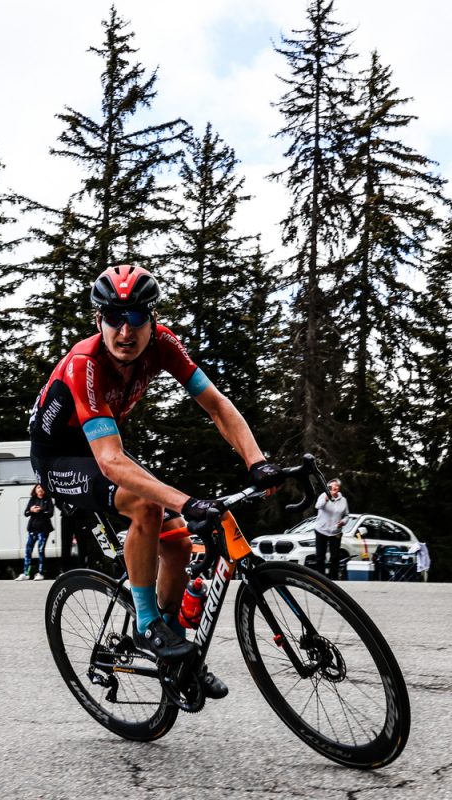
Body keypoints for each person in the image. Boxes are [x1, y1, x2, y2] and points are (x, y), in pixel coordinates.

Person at [29, 264, 283, 699]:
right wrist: (187, 501)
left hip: (103, 444)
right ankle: (147, 625)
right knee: (145, 505)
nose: (125, 331)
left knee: (180, 543)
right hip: (60, 459)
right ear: (98, 320)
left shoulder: (164, 345)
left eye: (136, 317)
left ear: (153, 319)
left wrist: (256, 461)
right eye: (113, 317)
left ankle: (175, 653)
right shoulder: (84, 364)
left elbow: (217, 405)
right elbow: (110, 463)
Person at [312, 478, 349, 580]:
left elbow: (346, 515)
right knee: (320, 556)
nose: (334, 487)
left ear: (339, 488)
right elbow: (317, 506)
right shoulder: (323, 496)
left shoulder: (343, 500)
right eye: (332, 486)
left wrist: (343, 522)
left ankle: (333, 578)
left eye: (336, 485)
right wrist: (327, 498)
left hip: (335, 532)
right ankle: (320, 578)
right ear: (328, 488)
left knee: (335, 556)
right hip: (321, 530)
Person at [18, 484, 55, 581]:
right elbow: (26, 513)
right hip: (32, 530)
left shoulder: (48, 499)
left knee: (41, 551)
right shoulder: (32, 499)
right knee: (28, 551)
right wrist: (31, 510)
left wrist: (41, 510)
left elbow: (50, 513)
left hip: (43, 530)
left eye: (42, 487)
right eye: (38, 487)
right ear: (35, 489)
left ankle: (41, 573)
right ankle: (26, 573)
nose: (40, 489)